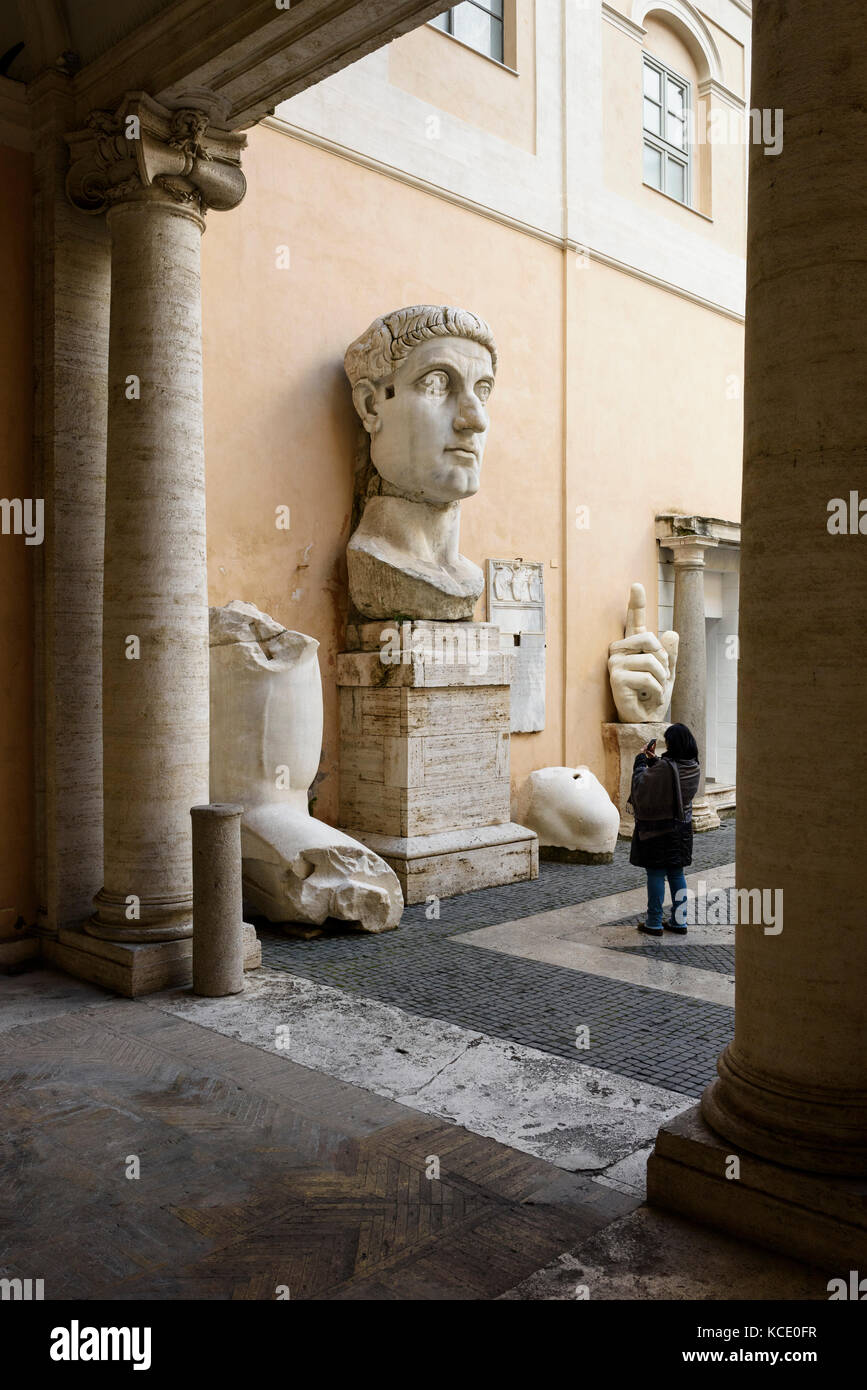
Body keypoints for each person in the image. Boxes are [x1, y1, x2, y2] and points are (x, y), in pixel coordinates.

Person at [628, 722, 701, 937]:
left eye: (668, 741)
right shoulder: (693, 766)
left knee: (656, 872)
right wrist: (656, 760)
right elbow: (671, 777)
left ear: (674, 743)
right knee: (677, 872)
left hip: (659, 828)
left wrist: (641, 760)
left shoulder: (666, 768)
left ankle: (653, 922)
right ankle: (679, 921)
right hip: (682, 828)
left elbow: (643, 784)